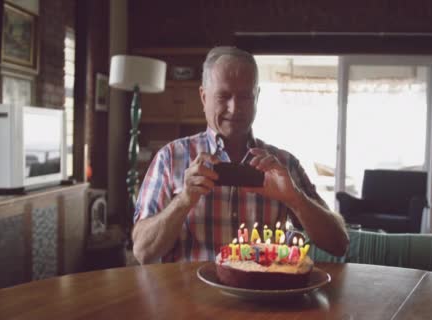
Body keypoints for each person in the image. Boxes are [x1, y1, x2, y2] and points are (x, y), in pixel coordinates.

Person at [131, 46, 349, 264]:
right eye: (224, 96)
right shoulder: (170, 158)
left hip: (263, 296)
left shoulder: (283, 164)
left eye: (245, 97)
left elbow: (339, 244)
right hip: (189, 297)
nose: (235, 109)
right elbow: (142, 251)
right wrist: (184, 200)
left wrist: (295, 199)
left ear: (257, 98)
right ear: (203, 97)